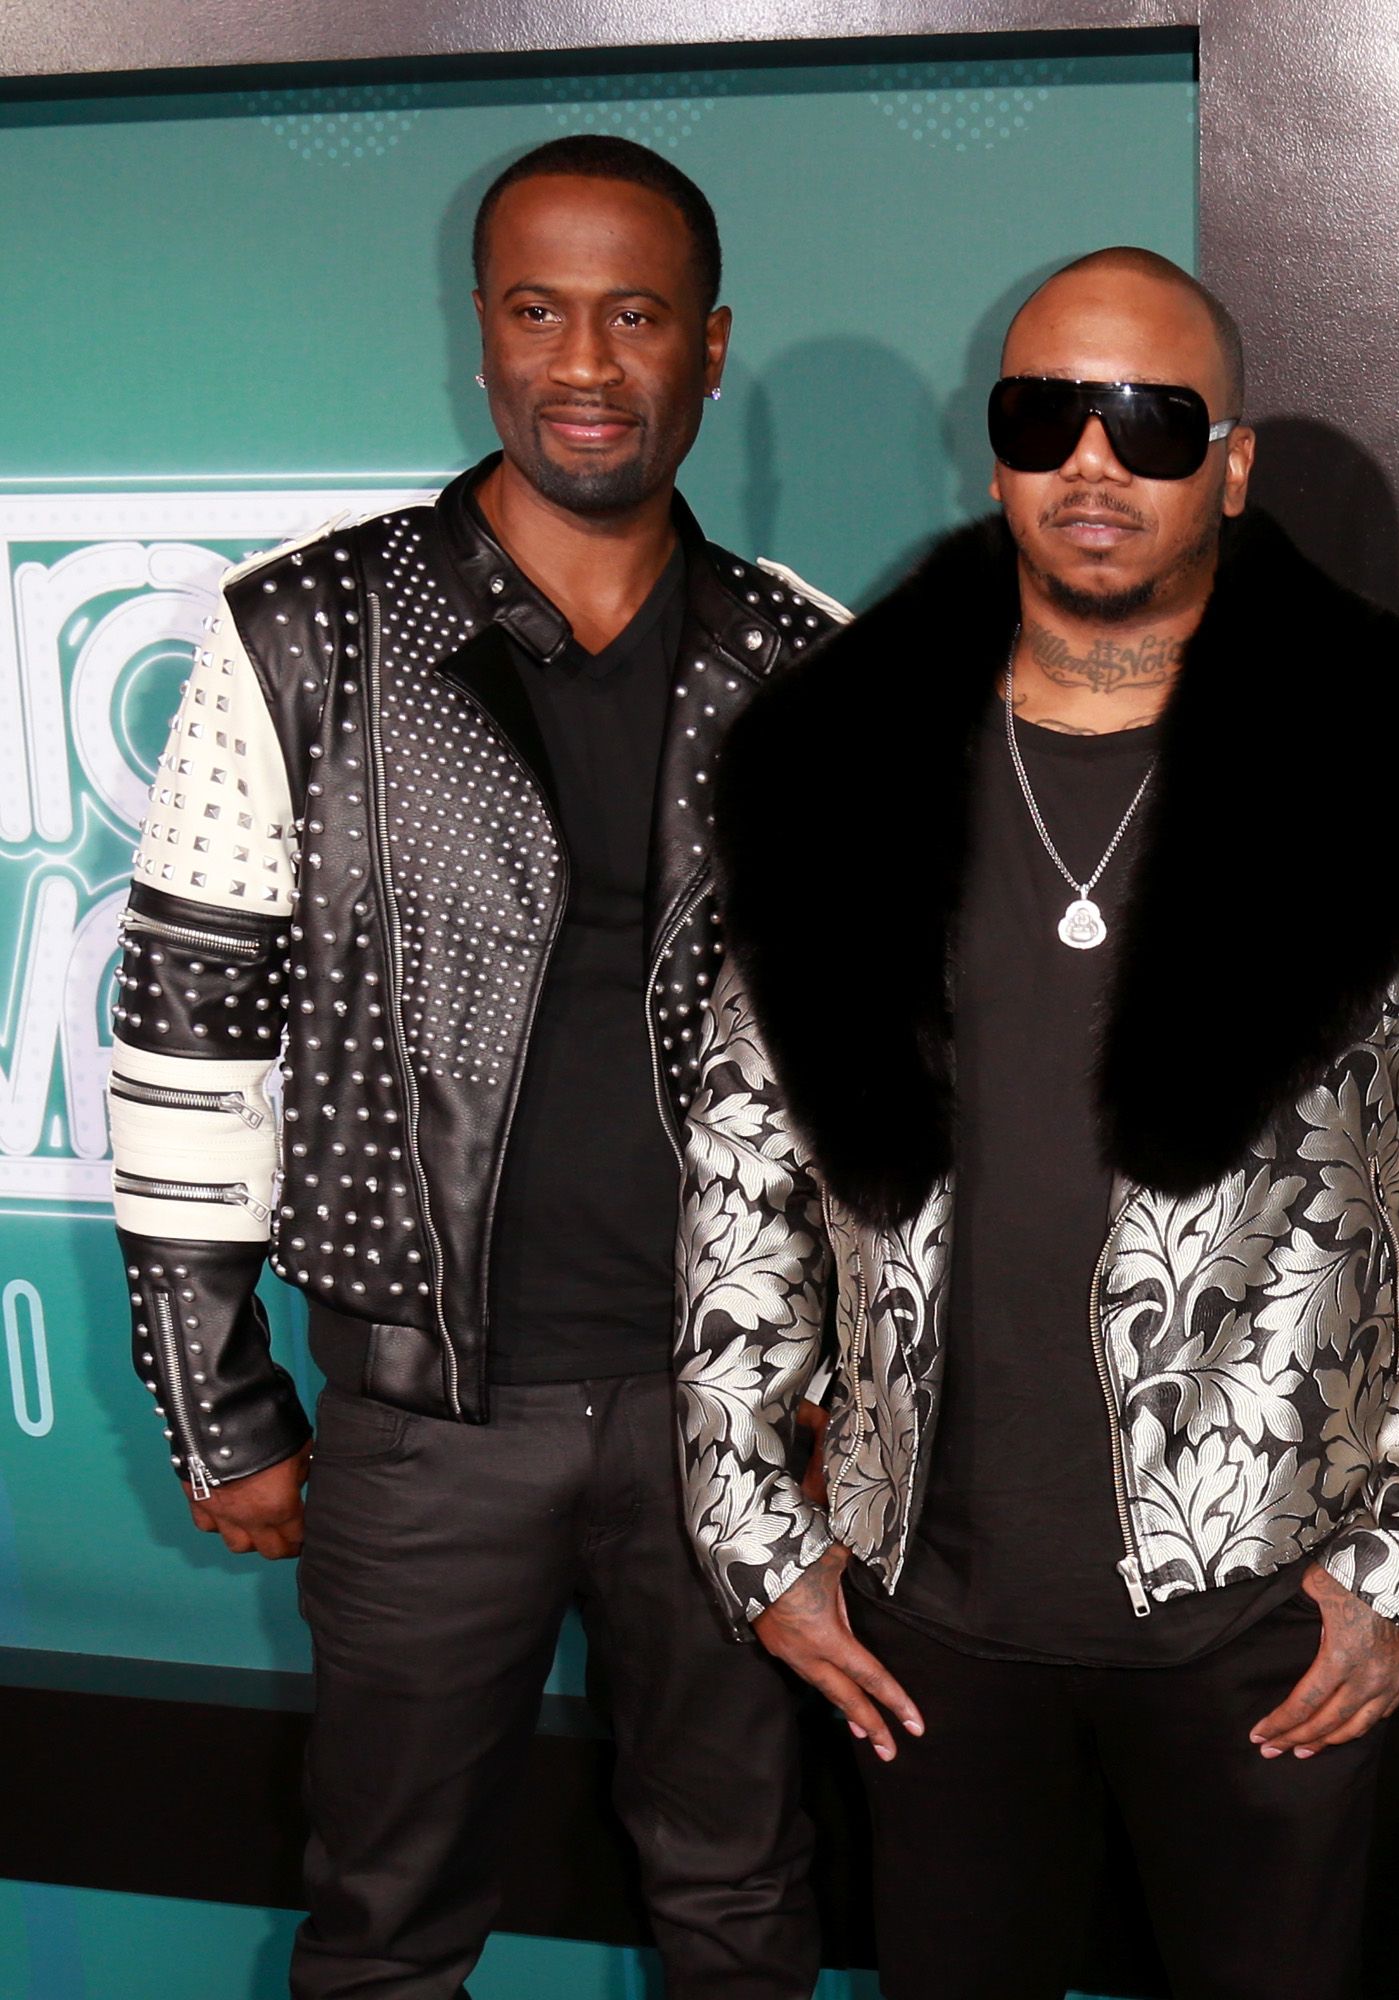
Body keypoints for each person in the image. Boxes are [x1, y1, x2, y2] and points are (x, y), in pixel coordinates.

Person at [676, 246, 1399, 2000]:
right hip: (926, 1608)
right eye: (1044, 415)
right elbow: (748, 1161)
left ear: (1235, 462)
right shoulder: (838, 760)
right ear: (996, 451)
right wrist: (755, 1532)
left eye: (1150, 420)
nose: (1093, 462)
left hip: (1269, 1605)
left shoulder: (1376, 761)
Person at [109, 135, 835, 1996]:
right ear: (483, 333)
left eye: (635, 315)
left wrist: (846, 1384)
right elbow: (190, 1030)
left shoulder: (804, 659)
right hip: (424, 1427)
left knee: (742, 1902)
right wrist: (217, 1401)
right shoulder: (307, 633)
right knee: (388, 1926)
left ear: (711, 346)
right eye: (537, 311)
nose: (584, 362)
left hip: (724, 1419)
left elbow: (870, 1066)